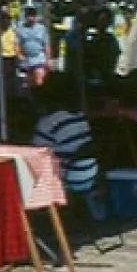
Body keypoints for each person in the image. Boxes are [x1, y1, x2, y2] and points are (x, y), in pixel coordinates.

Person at [32, 79, 101, 212]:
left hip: (67, 179)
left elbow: (36, 154)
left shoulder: (48, 122)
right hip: (89, 175)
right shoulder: (80, 116)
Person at [14, 4, 51, 89]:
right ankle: (32, 100)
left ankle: (40, 96)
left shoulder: (42, 28)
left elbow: (46, 44)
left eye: (33, 15)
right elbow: (16, 44)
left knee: (39, 78)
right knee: (29, 83)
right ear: (25, 16)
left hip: (39, 57)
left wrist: (48, 59)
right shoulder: (20, 29)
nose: (31, 17)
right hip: (27, 59)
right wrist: (19, 55)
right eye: (29, 15)